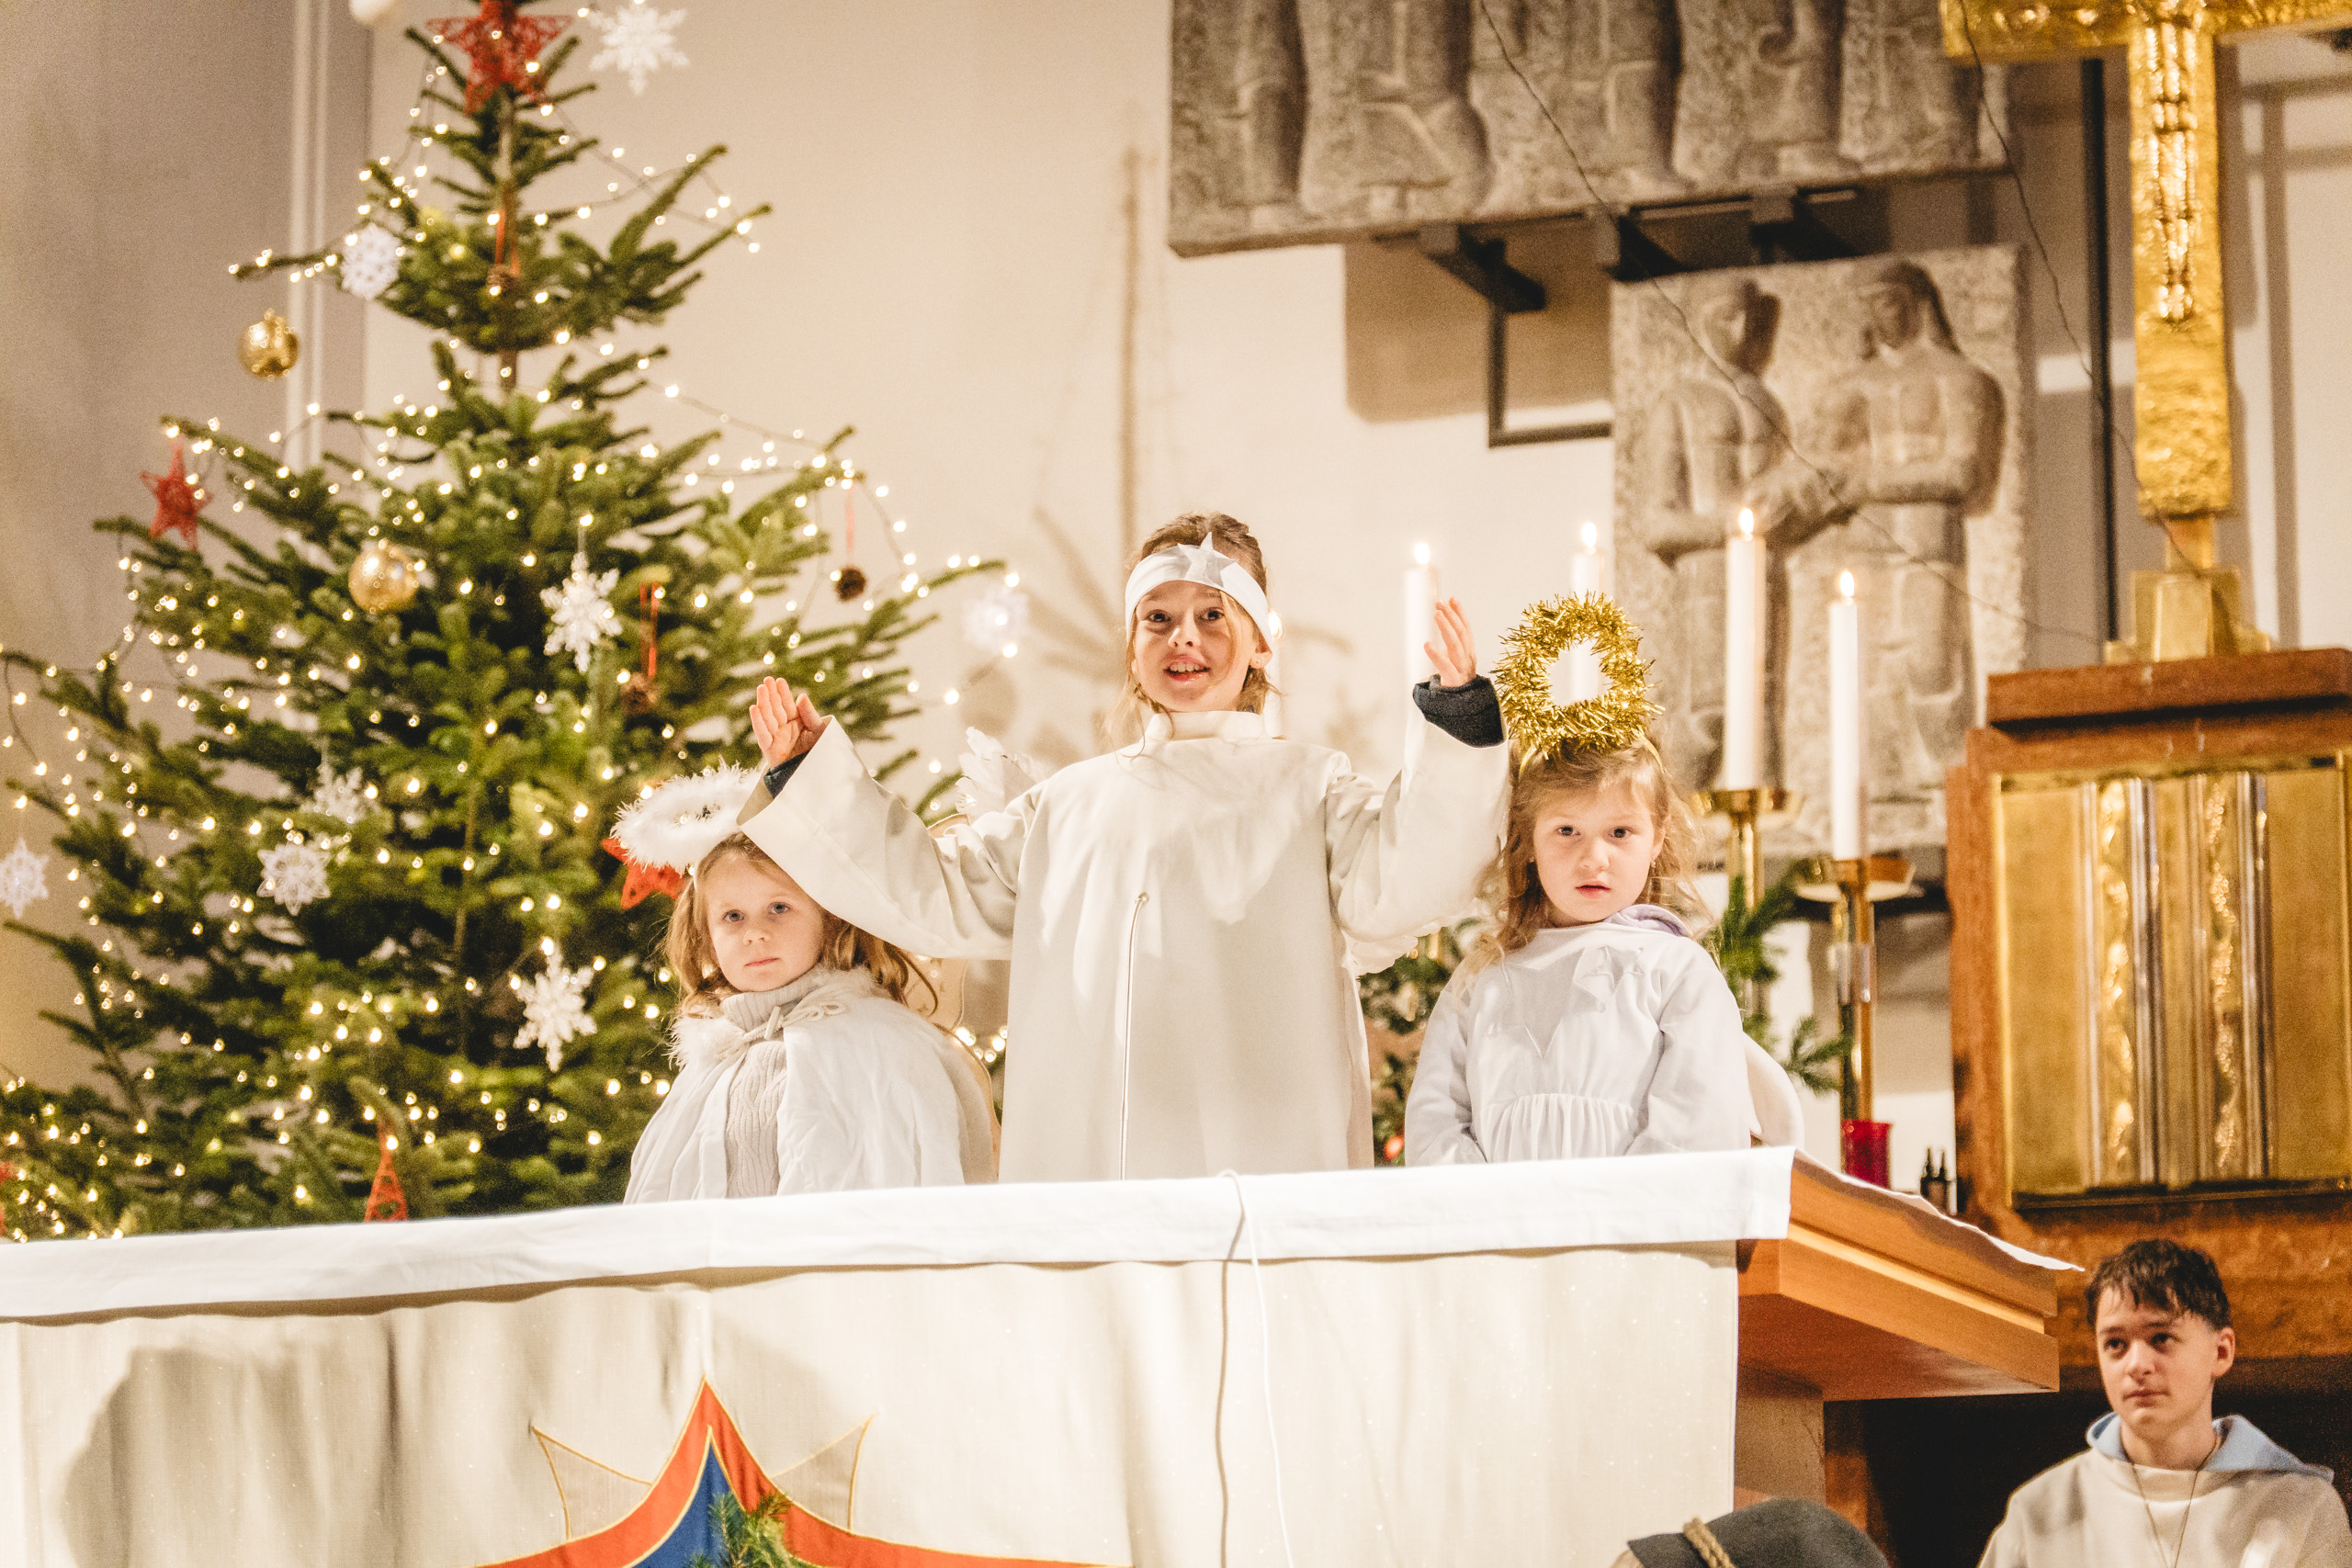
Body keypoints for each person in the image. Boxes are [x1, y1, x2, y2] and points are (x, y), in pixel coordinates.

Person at [739, 511, 1510, 1182]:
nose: (1184, 637)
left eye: (1213, 615)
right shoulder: (1068, 806)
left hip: (1259, 1147)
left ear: (1260, 645)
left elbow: (1406, 877)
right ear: (1133, 644)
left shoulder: (1309, 789)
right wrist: (812, 778)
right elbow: (932, 891)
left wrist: (1455, 718)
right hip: (1093, 1166)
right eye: (1158, 616)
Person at [1404, 734, 1789, 1164]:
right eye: (1567, 830)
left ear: (1656, 839)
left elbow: (1697, 1125)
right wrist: (1493, 1201)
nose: (1593, 858)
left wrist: (1605, 1203)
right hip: (1497, 1207)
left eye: (1619, 832)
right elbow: (1435, 1123)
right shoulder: (1482, 979)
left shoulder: (1677, 970)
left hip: (1632, 1206)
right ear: (1528, 839)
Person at [617, 767, 996, 1202]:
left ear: (829, 918)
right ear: (706, 937)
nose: (755, 933)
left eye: (778, 908)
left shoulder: (878, 1043)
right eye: (732, 916)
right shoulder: (710, 1065)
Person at [1980, 1239, 2351, 1567]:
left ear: (2221, 1352)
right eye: (2115, 1344)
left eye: (2161, 1338)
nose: (2137, 1365)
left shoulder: (2301, 1507)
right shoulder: (2039, 1513)